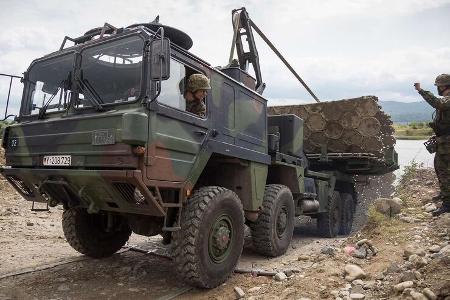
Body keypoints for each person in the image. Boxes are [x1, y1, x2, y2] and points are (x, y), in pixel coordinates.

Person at [414, 74, 450, 216]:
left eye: (439, 86)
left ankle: (447, 203)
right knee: (440, 168)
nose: (438, 89)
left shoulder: (447, 101)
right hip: (445, 141)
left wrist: (421, 91)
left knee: (444, 171)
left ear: (445, 86)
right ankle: (445, 195)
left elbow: (438, 103)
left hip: (447, 143)